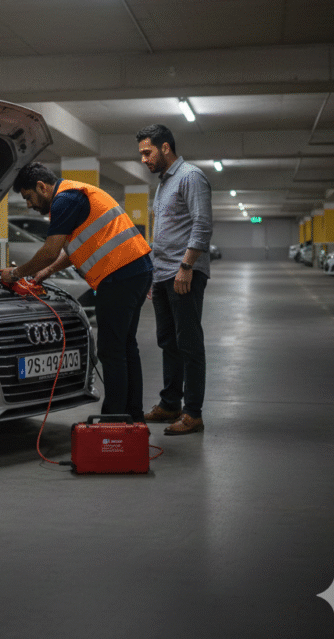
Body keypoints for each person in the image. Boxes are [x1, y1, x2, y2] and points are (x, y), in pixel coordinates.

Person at [0, 162, 153, 422]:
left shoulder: (65, 200)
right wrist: (46, 272)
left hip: (119, 275)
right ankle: (132, 416)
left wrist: (15, 274)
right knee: (126, 346)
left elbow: (49, 250)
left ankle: (114, 420)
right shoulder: (74, 195)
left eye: (28, 197)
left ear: (41, 187)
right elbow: (74, 248)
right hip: (136, 270)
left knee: (111, 351)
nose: (29, 205)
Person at [136, 124, 213, 436]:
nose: (143, 159)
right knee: (168, 341)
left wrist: (186, 267)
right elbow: (162, 236)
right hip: (164, 274)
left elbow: (202, 224)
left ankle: (193, 413)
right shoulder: (164, 184)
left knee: (189, 342)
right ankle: (170, 404)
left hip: (184, 274)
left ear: (165, 147)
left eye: (147, 152)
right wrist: (155, 276)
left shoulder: (191, 176)